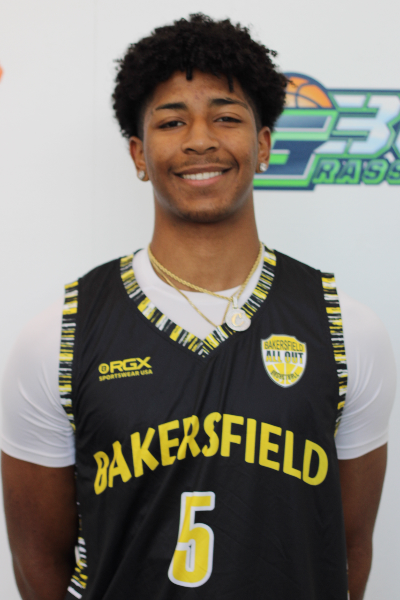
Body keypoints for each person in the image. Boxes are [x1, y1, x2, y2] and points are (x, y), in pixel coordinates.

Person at [1, 14, 396, 600]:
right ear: (139, 154)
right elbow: (38, 557)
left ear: (263, 145)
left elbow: (348, 548)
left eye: (227, 117)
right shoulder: (59, 337)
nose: (200, 140)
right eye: (171, 121)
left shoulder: (347, 331)